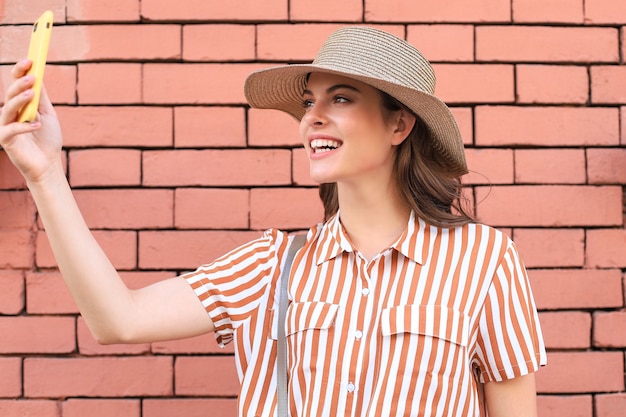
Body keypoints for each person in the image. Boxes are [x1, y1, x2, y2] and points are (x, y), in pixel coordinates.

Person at [0, 26, 546, 416]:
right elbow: (119, 320)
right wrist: (46, 175)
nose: (312, 117)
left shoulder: (485, 260)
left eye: (340, 97)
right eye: (310, 102)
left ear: (399, 124)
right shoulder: (272, 263)